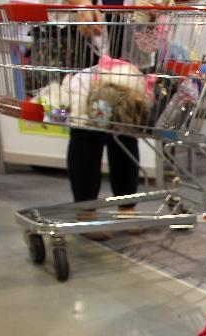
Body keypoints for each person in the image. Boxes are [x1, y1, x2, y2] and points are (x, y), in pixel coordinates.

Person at [66, 0, 141, 227]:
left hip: (124, 39)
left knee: (125, 132)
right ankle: (86, 210)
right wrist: (80, 4)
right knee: (85, 131)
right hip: (83, 46)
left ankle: (127, 208)